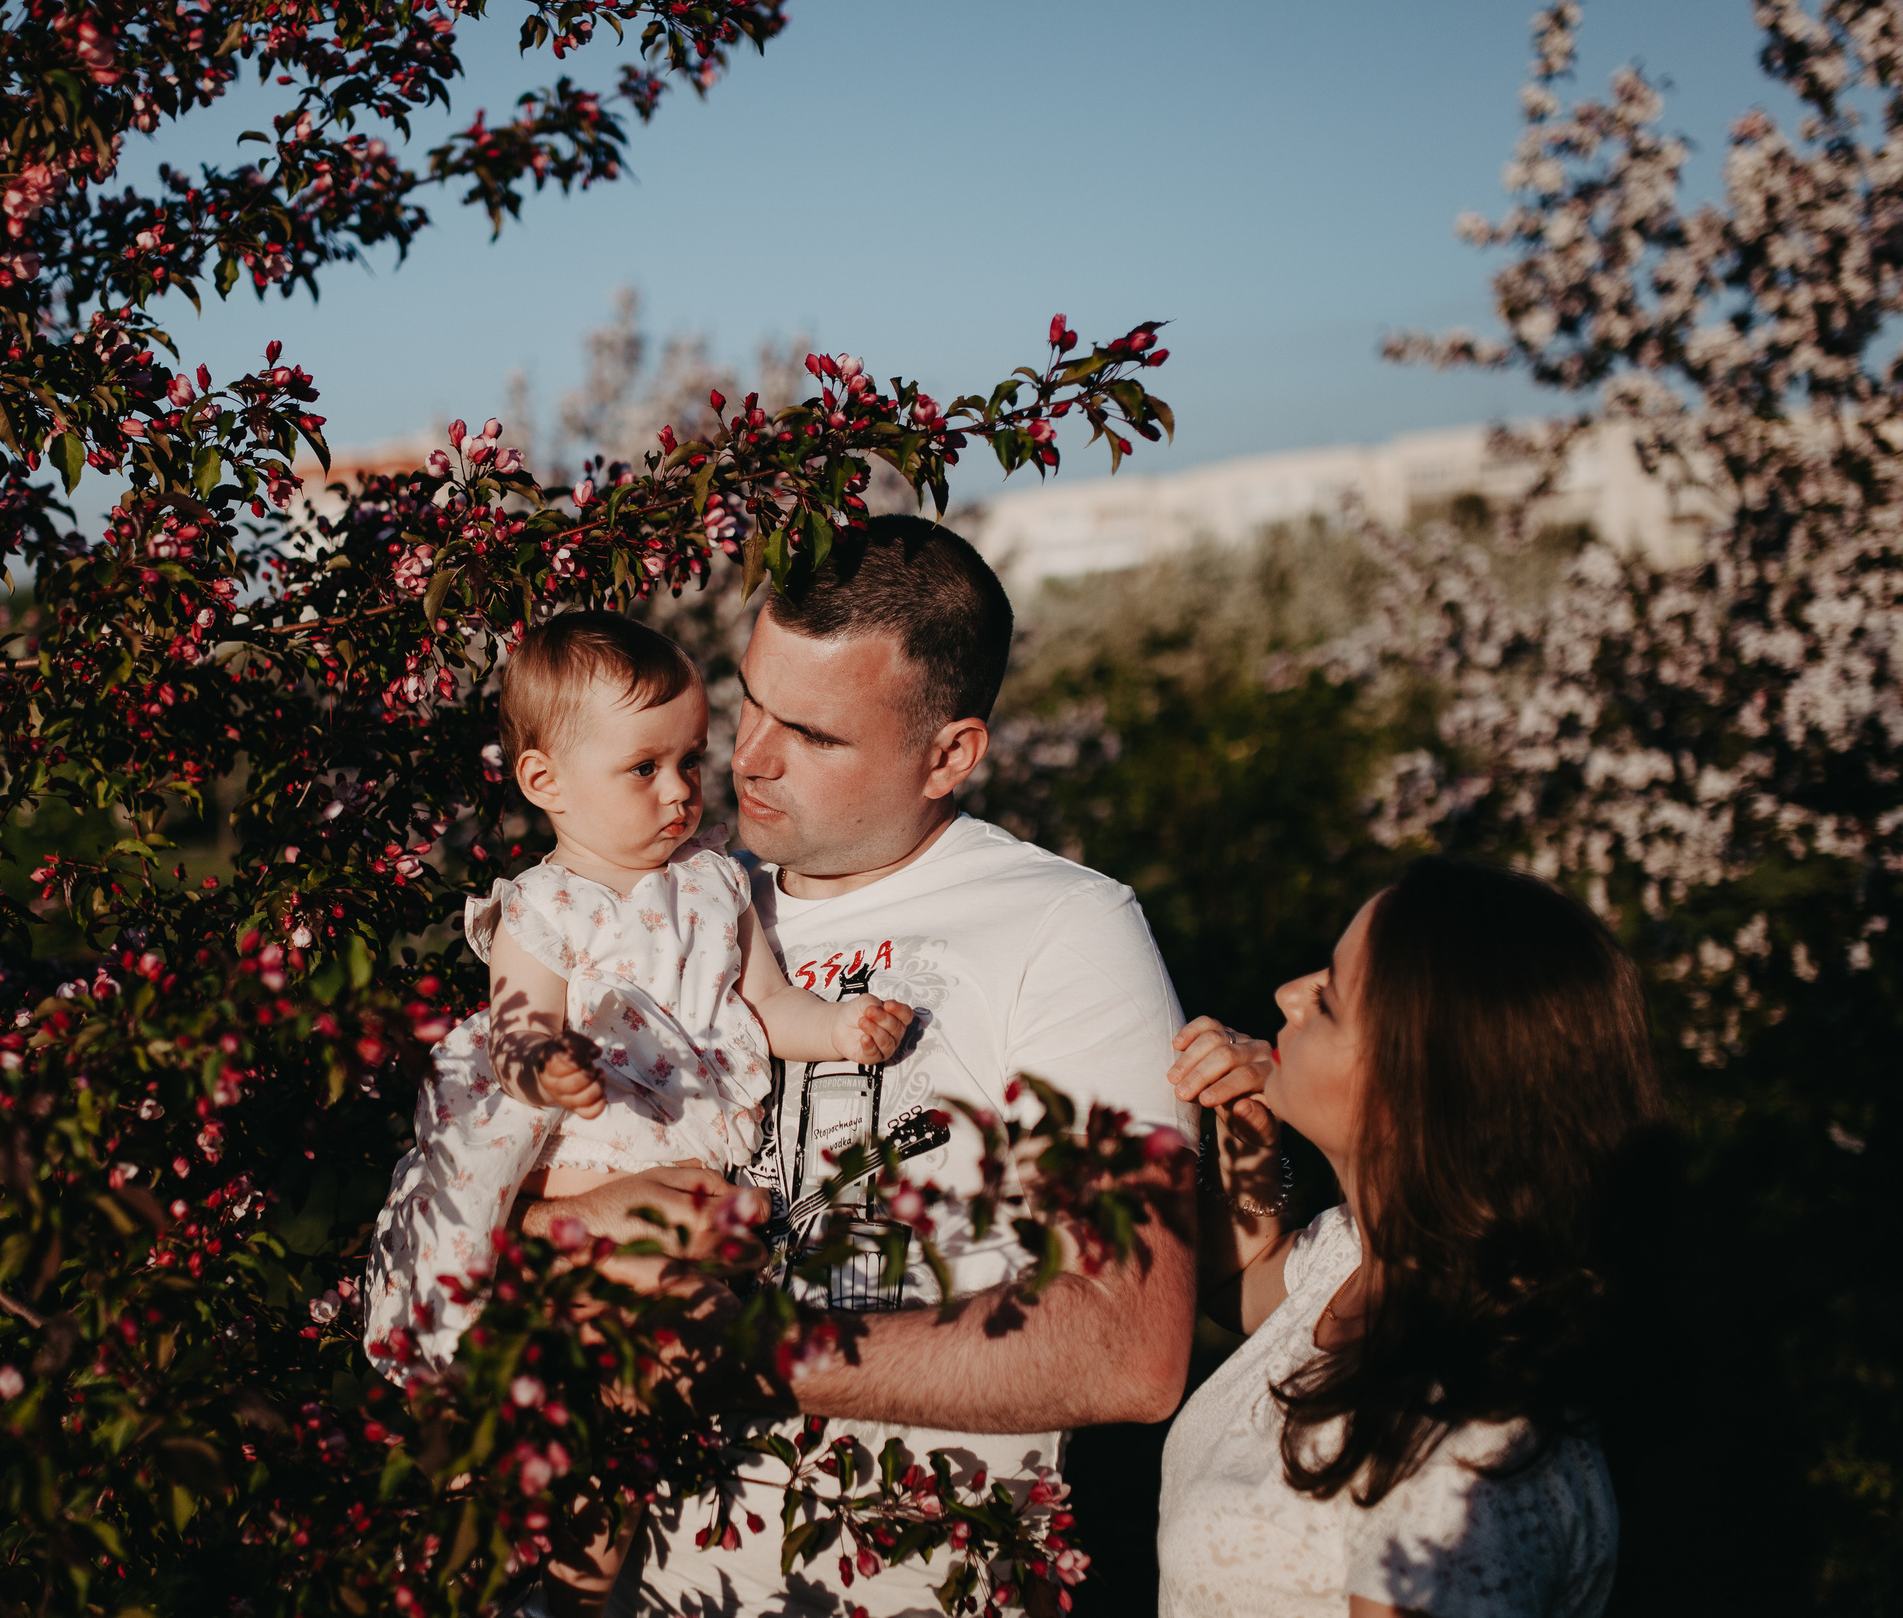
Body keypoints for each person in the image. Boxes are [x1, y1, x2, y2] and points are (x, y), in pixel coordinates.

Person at [522, 517, 1225, 1617]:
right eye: (749, 697)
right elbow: (506, 1203)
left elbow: (1129, 1344)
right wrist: (577, 1226)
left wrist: (750, 1350)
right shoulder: (664, 895)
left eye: (812, 732)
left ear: (950, 753)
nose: (747, 755)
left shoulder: (1065, 928)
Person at [362, 609, 916, 1615]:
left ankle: (573, 1594)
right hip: (589, 1198)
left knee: (618, 1430)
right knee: (528, 1420)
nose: (677, 793)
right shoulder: (540, 910)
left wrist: (837, 1031)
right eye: (642, 769)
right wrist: (549, 1069)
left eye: (688, 762)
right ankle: (464, 1550)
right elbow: (515, 1032)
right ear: (544, 784)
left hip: (686, 1216)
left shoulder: (716, 885)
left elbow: (765, 1006)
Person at [1159, 857, 1664, 1617]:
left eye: (1327, 999)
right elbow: (1243, 1283)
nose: (1287, 994)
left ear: (1418, 1088)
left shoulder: (1472, 1454)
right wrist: (1251, 1143)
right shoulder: (1358, 1254)